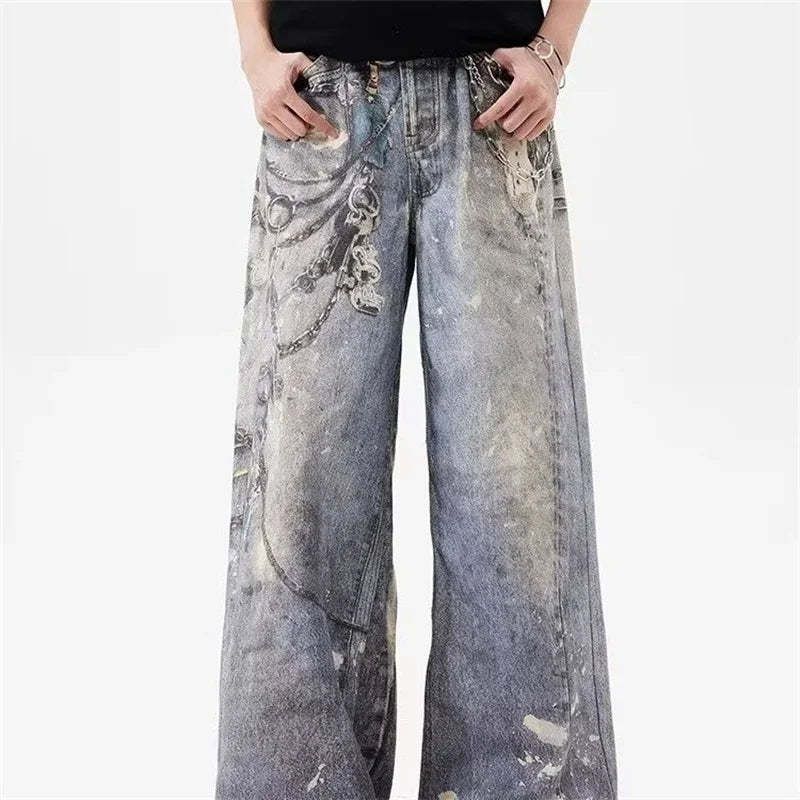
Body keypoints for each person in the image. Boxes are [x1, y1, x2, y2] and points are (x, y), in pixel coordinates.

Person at [216, 1, 617, 798]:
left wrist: (555, 50)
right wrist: (254, 51)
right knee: (297, 505)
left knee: (513, 505)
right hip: (319, 110)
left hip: (493, 108)